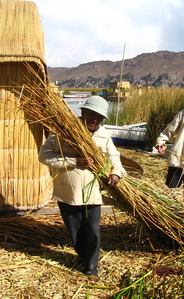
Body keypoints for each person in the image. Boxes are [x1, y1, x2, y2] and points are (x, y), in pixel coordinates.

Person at [38, 96, 126, 280]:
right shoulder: (64, 132)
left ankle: (91, 268)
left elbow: (114, 156)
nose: (95, 119)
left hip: (93, 190)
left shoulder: (103, 134)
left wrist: (116, 172)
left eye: (99, 117)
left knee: (93, 229)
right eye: (91, 114)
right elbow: (44, 156)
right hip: (68, 191)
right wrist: (74, 161)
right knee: (76, 231)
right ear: (83, 112)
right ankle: (83, 258)